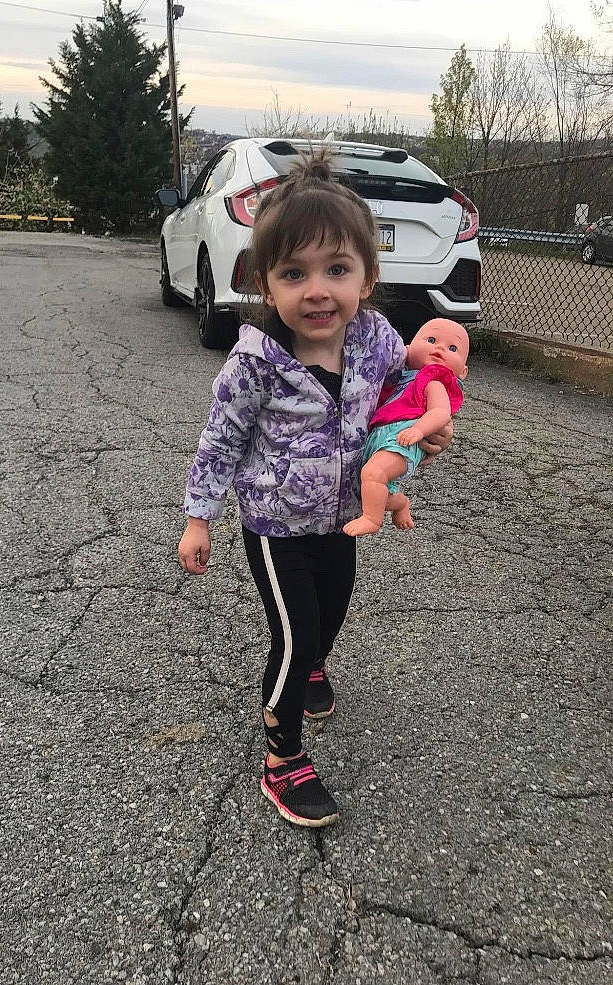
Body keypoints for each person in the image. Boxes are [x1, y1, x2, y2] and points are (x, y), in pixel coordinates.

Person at [177, 152, 451, 828]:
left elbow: (396, 400)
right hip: (275, 524)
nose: (318, 290)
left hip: (342, 517)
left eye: (337, 269)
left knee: (329, 622)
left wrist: (423, 430)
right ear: (267, 287)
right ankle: (283, 756)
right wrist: (198, 517)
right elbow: (220, 440)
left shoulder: (376, 340)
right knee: (296, 638)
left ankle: (313, 668)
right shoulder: (254, 364)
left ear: (368, 276)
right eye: (294, 273)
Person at [343, 318, 468, 537]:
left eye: (452, 348)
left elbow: (440, 412)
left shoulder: (433, 382)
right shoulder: (402, 379)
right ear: (407, 349)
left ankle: (372, 519)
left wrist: (419, 430)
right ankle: (400, 504)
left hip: (404, 436)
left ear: (463, 372)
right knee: (372, 489)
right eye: (431, 339)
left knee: (373, 473)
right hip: (382, 437)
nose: (439, 348)